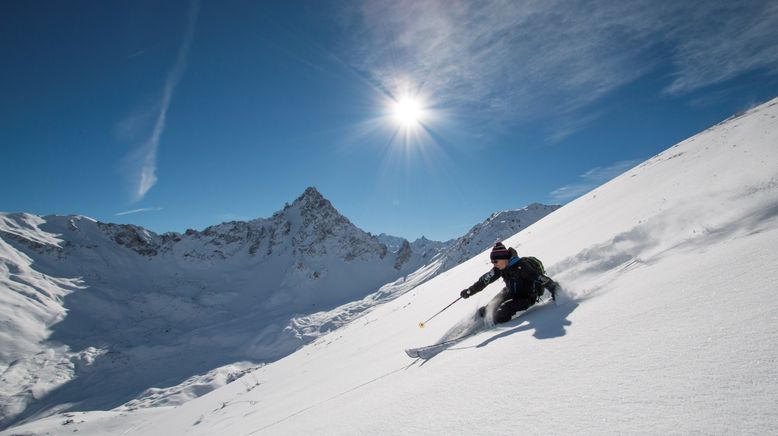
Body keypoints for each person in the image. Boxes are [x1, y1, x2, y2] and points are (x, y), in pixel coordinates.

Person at [460, 241, 558, 324]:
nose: (493, 264)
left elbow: (541, 279)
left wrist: (556, 291)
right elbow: (484, 281)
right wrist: (469, 291)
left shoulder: (523, 267)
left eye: (495, 261)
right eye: (492, 261)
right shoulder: (499, 268)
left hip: (527, 297)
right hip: (510, 291)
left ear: (504, 258)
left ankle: (498, 325)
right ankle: (489, 312)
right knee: (490, 307)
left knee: (503, 312)